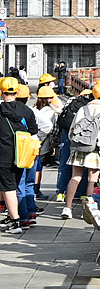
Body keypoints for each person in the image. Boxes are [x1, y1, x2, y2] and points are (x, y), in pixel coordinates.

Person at [62, 79, 100, 220]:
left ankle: (67, 208)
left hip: (79, 147)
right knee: (92, 179)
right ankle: (89, 209)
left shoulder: (83, 108)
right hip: (95, 149)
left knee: (75, 177)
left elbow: (72, 130)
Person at [0, 78, 31, 233]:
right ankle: (13, 217)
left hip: (3, 155)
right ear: (17, 92)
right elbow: (34, 129)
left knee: (9, 188)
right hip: (22, 154)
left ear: (1, 92)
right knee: (14, 185)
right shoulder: (25, 109)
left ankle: (15, 222)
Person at [10, 84, 40, 226]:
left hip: (18, 150)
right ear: (28, 98)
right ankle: (31, 213)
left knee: (19, 184)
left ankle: (22, 217)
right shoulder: (29, 111)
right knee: (29, 183)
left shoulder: (10, 112)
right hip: (32, 148)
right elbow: (35, 129)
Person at [34, 84, 61, 200]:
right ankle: (36, 189)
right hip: (43, 142)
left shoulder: (35, 108)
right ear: (48, 98)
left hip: (32, 140)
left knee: (33, 166)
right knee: (38, 167)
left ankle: (32, 189)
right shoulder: (50, 111)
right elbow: (53, 128)